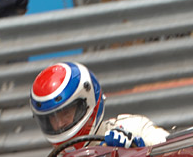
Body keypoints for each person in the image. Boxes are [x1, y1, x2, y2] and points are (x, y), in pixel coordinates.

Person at [30, 62, 169, 150]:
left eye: (66, 113)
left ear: (87, 103)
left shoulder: (135, 127)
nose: (59, 123)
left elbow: (178, 154)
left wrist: (140, 149)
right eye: (53, 118)